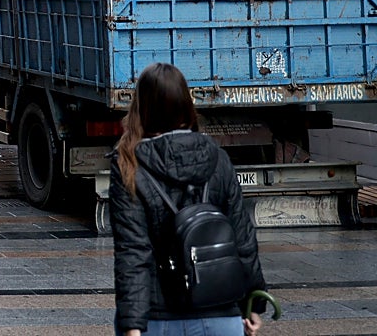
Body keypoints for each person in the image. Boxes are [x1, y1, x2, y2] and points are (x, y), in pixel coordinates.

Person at [111, 62, 267, 336]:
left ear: (141, 107)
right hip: (221, 312)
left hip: (158, 318)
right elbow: (242, 238)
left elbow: (134, 252)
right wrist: (253, 302)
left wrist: (132, 326)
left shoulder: (129, 164)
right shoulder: (218, 157)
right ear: (186, 104)